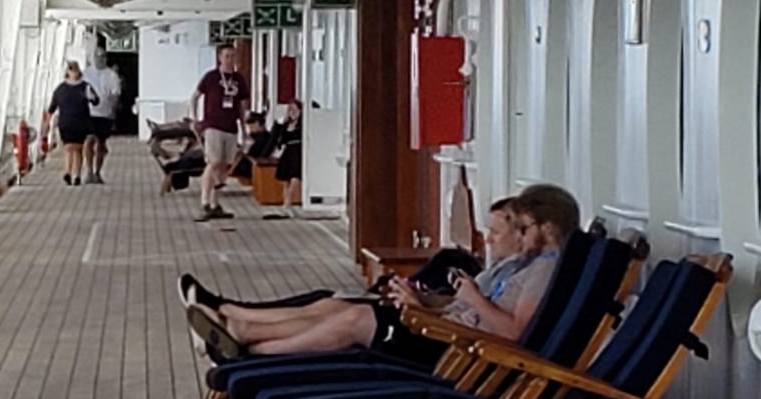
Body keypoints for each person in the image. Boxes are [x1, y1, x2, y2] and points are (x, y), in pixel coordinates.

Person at [183, 184, 579, 362]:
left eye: (524, 227)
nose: (518, 235)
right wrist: (423, 301)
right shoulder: (524, 264)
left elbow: (514, 335)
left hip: (460, 349)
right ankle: (239, 327)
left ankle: (246, 352)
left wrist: (471, 298)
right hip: (448, 328)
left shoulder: (544, 272)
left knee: (352, 319)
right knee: (335, 307)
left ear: (547, 228)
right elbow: (477, 309)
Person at [189, 44, 250, 221]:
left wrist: (244, 130)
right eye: (227, 56)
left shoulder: (239, 79)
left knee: (224, 165)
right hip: (213, 125)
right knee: (214, 161)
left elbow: (241, 106)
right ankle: (204, 202)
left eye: (233, 56)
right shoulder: (211, 77)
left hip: (231, 126)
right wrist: (195, 119)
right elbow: (194, 97)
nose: (230, 60)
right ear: (219, 58)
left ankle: (215, 203)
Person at [48, 61, 99, 185]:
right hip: (76, 121)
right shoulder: (84, 86)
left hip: (70, 121)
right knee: (74, 148)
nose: (73, 72)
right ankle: (74, 174)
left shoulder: (61, 89)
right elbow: (96, 101)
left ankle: (70, 173)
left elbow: (52, 107)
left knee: (71, 148)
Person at [82, 47, 122, 184]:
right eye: (97, 56)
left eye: (103, 56)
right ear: (93, 58)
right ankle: (88, 170)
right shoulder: (86, 73)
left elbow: (115, 95)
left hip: (105, 113)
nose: (100, 59)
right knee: (89, 140)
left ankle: (97, 171)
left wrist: (113, 111)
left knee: (101, 142)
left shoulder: (111, 75)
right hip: (88, 113)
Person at [264, 100, 303, 219]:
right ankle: (286, 205)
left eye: (295, 110)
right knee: (286, 180)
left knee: (295, 178)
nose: (293, 113)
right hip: (288, 152)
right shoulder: (285, 125)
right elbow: (278, 139)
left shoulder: (303, 125)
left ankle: (288, 202)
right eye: (290, 110)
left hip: (298, 150)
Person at [230, 113, 272, 181]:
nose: (249, 127)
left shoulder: (263, 137)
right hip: (251, 164)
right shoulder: (254, 136)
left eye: (251, 124)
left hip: (251, 166)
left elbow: (247, 153)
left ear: (258, 123)